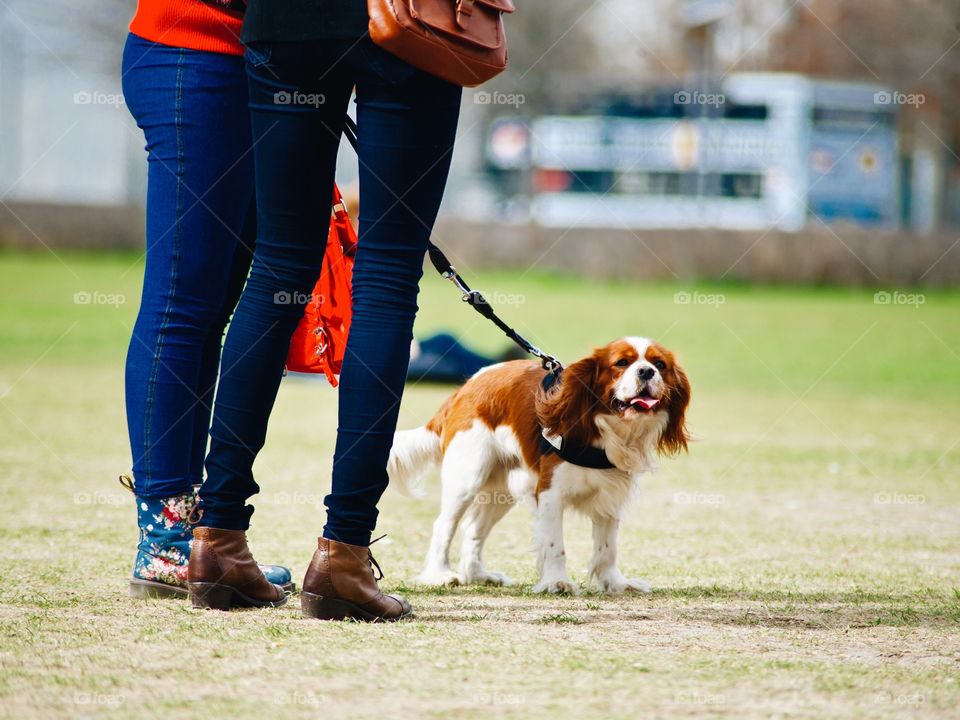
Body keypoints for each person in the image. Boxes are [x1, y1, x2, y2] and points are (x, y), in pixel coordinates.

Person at [187, 0, 463, 620]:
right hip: (410, 25)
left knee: (278, 267)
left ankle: (218, 537)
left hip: (286, 25)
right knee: (388, 276)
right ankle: (343, 554)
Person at [120, 0, 291, 598]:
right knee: (180, 303)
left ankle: (190, 532)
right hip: (192, 55)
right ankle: (162, 539)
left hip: (254, 63)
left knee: (211, 308)